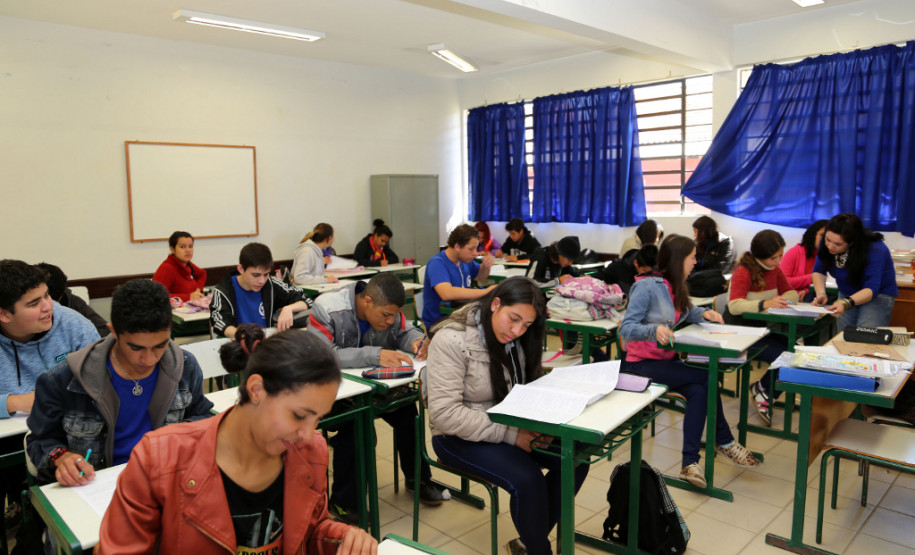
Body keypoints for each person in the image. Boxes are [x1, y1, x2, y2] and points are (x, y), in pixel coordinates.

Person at [96, 329, 377, 554]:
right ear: (256, 389)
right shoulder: (159, 458)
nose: (308, 433)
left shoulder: (310, 451)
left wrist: (341, 538)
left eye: (318, 418)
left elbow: (309, 531)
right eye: (299, 415)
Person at [426, 277, 589, 555]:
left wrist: (544, 420)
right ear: (496, 304)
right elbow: (445, 414)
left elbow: (523, 389)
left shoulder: (515, 338)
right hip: (456, 435)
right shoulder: (451, 338)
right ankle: (539, 549)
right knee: (527, 479)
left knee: (575, 458)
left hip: (509, 422)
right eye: (513, 319)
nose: (517, 331)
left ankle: (528, 543)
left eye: (526, 325)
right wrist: (511, 434)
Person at [26, 279, 214, 486]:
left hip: (164, 479)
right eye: (136, 348)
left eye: (160, 346)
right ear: (113, 331)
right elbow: (39, 441)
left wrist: (180, 435)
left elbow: (203, 416)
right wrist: (61, 457)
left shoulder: (184, 365)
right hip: (97, 485)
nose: (149, 360)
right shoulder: (64, 379)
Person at [619, 235, 760, 488]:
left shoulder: (675, 285)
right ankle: (724, 441)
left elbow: (685, 311)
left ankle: (689, 463)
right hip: (640, 366)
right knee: (707, 376)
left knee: (700, 389)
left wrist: (704, 314)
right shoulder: (647, 286)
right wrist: (653, 330)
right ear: (678, 259)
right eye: (692, 257)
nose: (696, 262)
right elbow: (626, 327)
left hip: (665, 364)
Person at [307, 273, 445, 522]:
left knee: (407, 413)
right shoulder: (326, 308)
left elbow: (405, 331)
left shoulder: (388, 309)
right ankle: (343, 502)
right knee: (357, 426)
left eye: (394, 315)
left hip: (371, 389)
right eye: (386, 315)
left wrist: (417, 341)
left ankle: (418, 479)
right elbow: (321, 355)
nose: (390, 321)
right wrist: (376, 354)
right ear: (367, 301)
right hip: (332, 394)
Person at [0, 260, 100, 419]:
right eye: (34, 304)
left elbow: (102, 384)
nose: (48, 306)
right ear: (4, 314)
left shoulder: (74, 326)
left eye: (46, 295)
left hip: (73, 426)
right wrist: (15, 403)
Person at [724, 230, 799, 426]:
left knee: (796, 351)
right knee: (786, 355)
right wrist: (766, 303)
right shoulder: (743, 271)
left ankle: (763, 390)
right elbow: (734, 306)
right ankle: (764, 392)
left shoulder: (775, 270)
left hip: (759, 332)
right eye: (773, 258)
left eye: (781, 255)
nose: (778, 261)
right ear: (759, 255)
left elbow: (792, 293)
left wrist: (782, 299)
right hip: (740, 334)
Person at [811, 213, 898, 330]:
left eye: (838, 244)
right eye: (828, 240)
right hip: (846, 292)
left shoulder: (874, 249)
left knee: (865, 335)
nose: (830, 246)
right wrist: (821, 293)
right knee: (844, 334)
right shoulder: (826, 243)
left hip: (877, 295)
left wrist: (845, 303)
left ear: (852, 242)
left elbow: (871, 289)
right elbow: (818, 271)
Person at [211, 243, 313, 339]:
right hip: (240, 343)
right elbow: (219, 322)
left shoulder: (271, 284)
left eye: (266, 274)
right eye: (256, 275)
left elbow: (307, 301)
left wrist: (289, 308)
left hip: (266, 343)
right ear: (241, 269)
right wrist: (243, 336)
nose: (262, 281)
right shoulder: (224, 290)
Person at [421, 224, 494, 330]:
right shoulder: (437, 263)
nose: (475, 253)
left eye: (476, 248)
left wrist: (485, 266)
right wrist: (486, 292)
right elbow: (446, 293)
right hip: (440, 323)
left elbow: (480, 277)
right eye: (471, 249)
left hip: (460, 317)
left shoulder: (465, 260)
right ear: (457, 246)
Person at [36, 262, 109, 337]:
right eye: (34, 303)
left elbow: (105, 330)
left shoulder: (73, 302)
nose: (46, 308)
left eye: (46, 296)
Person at [152, 230, 208, 301]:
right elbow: (156, 295)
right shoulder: (167, 268)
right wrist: (188, 297)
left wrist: (198, 290)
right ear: (172, 249)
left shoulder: (187, 264)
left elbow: (202, 274)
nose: (188, 250)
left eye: (190, 246)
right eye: (182, 247)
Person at [780, 220, 828, 300]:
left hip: (815, 295)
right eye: (822, 235)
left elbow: (827, 282)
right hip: (791, 298)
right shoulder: (794, 252)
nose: (825, 240)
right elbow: (783, 283)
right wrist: (813, 277)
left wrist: (807, 290)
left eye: (828, 237)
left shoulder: (828, 255)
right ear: (812, 235)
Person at [593, 244, 658, 297]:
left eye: (652, 272)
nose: (648, 276)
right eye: (644, 271)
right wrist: (590, 278)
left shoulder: (659, 275)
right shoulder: (619, 267)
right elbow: (602, 276)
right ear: (636, 263)